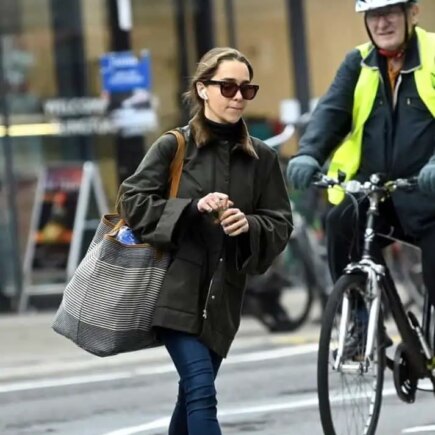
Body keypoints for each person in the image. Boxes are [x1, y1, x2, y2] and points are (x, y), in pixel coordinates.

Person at [116, 47, 293, 435]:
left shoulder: (262, 158)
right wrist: (192, 208)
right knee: (201, 392)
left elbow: (280, 223)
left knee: (191, 395)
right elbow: (132, 201)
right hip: (174, 292)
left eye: (247, 89)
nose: (237, 97)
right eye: (227, 86)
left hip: (224, 299)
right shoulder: (173, 146)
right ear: (202, 89)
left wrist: (247, 224)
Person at [287, 0, 435, 355]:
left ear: (411, 14)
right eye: (373, 15)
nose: (381, 23)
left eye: (389, 13)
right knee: (341, 224)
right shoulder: (359, 62)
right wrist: (309, 152)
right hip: (378, 194)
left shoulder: (433, 53)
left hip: (429, 196)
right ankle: (361, 319)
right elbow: (331, 111)